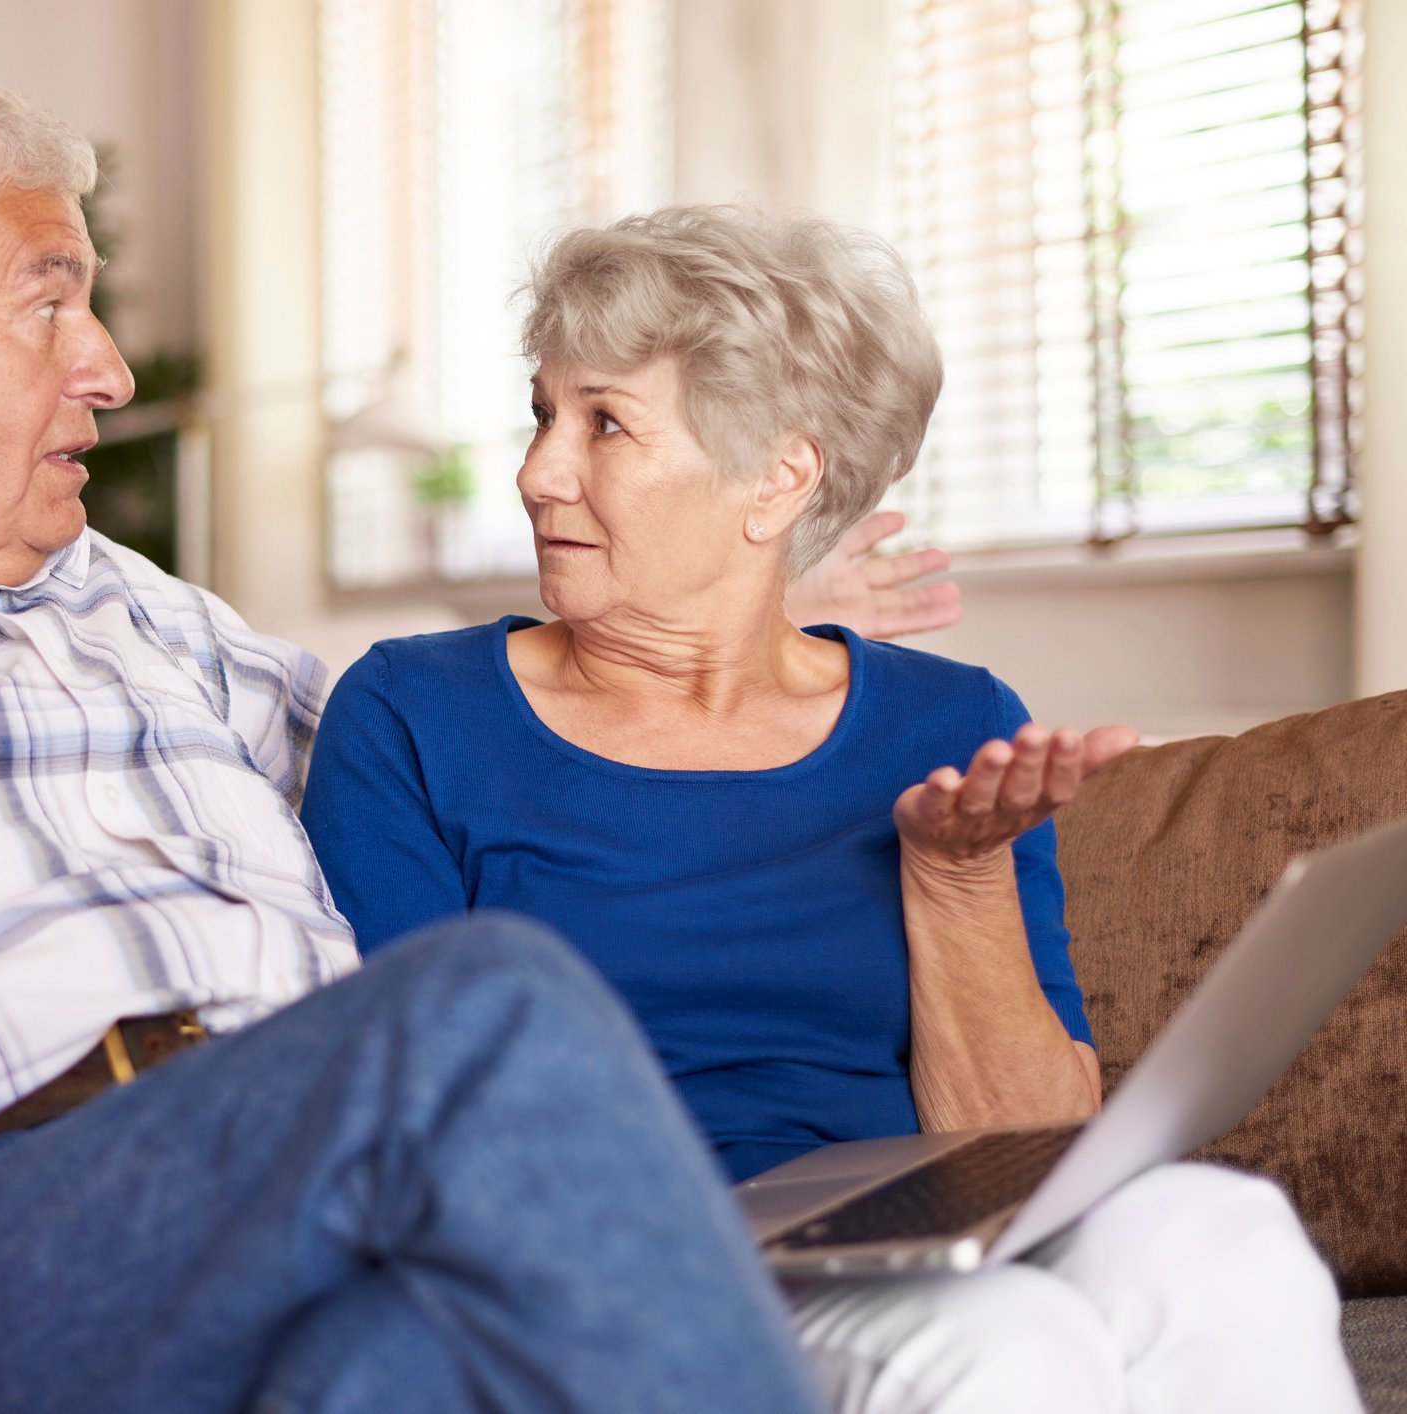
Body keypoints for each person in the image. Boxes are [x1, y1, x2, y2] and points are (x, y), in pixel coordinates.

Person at [0, 65, 957, 1414]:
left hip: (277, 1231)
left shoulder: (147, 615)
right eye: (50, 298)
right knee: (482, 1009)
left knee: (410, 1361)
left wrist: (738, 608)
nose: (111, 368)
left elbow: (489, 746)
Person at [298, 205, 1362, 1414]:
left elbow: (1025, 1141)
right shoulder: (413, 714)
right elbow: (412, 1111)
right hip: (615, 1278)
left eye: (604, 422)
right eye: (543, 413)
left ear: (777, 478)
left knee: (1214, 1228)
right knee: (1000, 1342)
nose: (538, 470)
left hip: (901, 1241)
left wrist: (954, 875)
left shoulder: (947, 723)